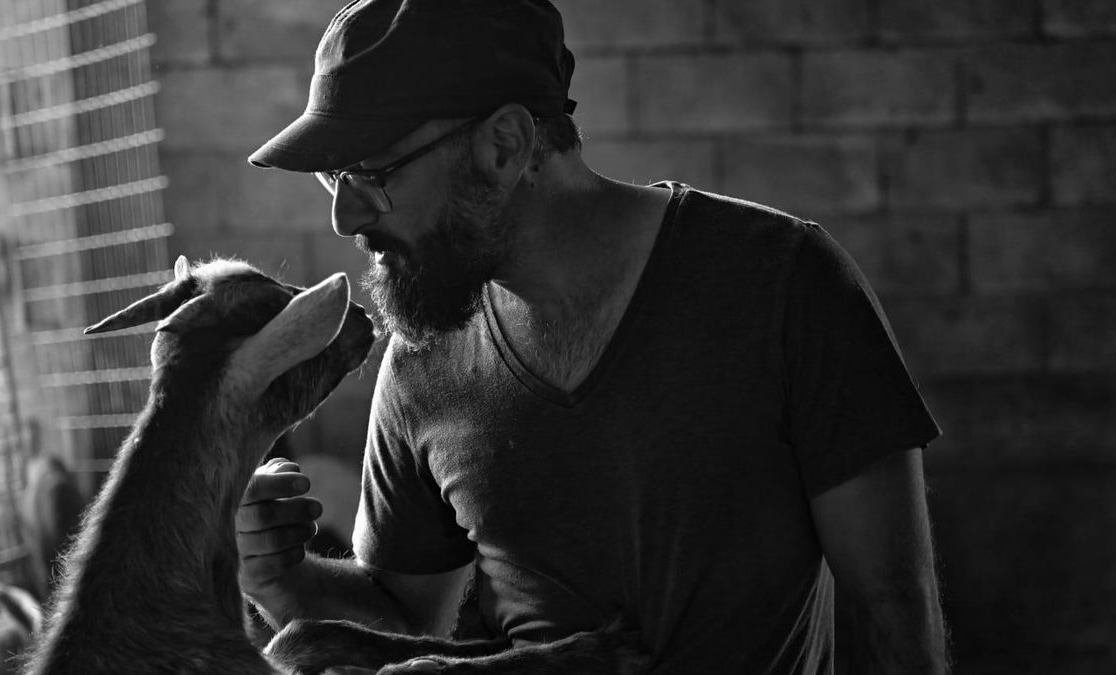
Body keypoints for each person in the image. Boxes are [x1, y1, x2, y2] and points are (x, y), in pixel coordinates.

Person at [234, 0, 948, 672]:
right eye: (334, 179)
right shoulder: (424, 357)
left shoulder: (784, 284)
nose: (346, 219)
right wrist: (283, 579)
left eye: (368, 173)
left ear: (505, 145)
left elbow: (891, 611)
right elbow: (408, 618)